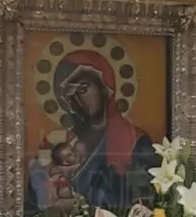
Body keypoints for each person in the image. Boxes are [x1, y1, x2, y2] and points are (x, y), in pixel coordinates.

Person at [59, 64, 159, 209]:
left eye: (83, 89)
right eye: (73, 96)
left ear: (104, 88)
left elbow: (143, 196)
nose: (79, 100)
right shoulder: (69, 141)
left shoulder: (135, 140)